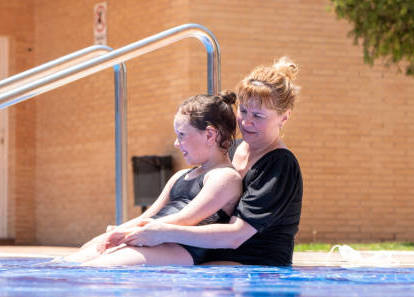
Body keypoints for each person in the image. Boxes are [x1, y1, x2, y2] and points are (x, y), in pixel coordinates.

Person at [95, 57, 303, 266]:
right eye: (243, 110)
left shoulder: (279, 165)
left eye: (258, 115)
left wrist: (164, 232)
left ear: (283, 117)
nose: (246, 122)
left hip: (255, 264)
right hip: (209, 253)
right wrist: (128, 230)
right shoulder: (231, 149)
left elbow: (235, 236)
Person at [62, 91, 242, 266]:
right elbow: (149, 215)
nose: (176, 143)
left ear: (210, 135)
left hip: (180, 247)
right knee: (70, 261)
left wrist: (126, 233)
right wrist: (113, 233)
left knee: (97, 268)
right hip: (149, 235)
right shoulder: (180, 176)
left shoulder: (225, 177)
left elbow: (185, 219)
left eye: (182, 135)